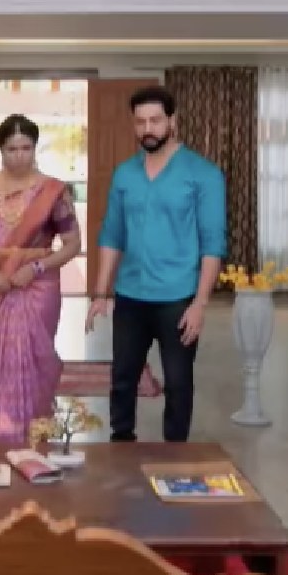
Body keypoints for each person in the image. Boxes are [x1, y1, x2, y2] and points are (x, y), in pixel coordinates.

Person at [85, 85, 226, 443]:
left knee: (178, 383)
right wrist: (100, 292)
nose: (147, 129)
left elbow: (213, 244)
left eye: (155, 120)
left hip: (178, 298)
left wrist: (200, 303)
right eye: (140, 122)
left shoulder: (203, 174)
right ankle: (121, 445)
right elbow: (112, 235)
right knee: (122, 378)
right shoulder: (124, 174)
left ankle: (174, 455)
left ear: (172, 121)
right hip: (130, 295)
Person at [0, 114, 82, 444]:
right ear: (0, 150)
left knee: (35, 361)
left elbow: (73, 244)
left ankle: (34, 438)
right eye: (12, 149)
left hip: (37, 287)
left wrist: (35, 269)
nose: (19, 156)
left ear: (35, 148)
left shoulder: (53, 191)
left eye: (26, 148)